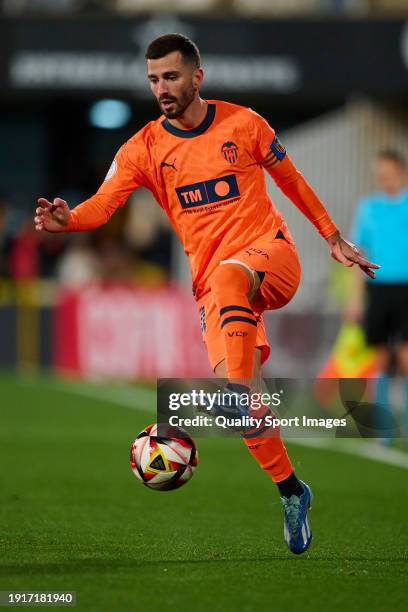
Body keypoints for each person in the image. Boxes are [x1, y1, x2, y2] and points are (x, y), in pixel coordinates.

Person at [34, 34, 378, 555]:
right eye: (153, 80)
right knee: (243, 402)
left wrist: (333, 238)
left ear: (197, 77)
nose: (161, 89)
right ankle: (291, 490)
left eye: (170, 77)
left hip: (271, 258)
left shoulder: (246, 124)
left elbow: (293, 181)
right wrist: (69, 220)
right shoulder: (144, 148)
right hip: (215, 288)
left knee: (228, 279)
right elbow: (103, 206)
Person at [348, 150, 408, 438]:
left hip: (406, 288)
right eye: (380, 174)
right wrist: (355, 298)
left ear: (402, 173)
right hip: (378, 289)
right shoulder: (369, 207)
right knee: (381, 356)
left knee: (407, 354)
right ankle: (384, 428)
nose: (384, 179)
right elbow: (360, 253)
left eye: (389, 173)